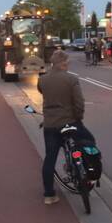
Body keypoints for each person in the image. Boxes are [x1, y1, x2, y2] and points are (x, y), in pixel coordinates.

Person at [37, 50, 94, 204]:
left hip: (51, 125)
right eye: (67, 63)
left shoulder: (42, 80)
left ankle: (49, 194)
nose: (68, 66)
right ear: (62, 64)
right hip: (70, 122)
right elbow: (79, 103)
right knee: (89, 141)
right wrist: (78, 118)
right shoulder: (71, 80)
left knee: (50, 158)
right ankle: (87, 175)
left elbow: (44, 94)